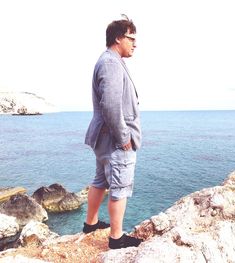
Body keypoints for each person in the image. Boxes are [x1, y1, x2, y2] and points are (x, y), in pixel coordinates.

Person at [83, 15, 142, 249]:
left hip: (103, 139)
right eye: (131, 38)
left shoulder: (111, 60)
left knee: (100, 180)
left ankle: (90, 224)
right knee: (120, 186)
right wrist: (124, 137)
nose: (135, 44)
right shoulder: (111, 62)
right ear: (118, 38)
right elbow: (110, 104)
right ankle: (116, 238)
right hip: (114, 140)